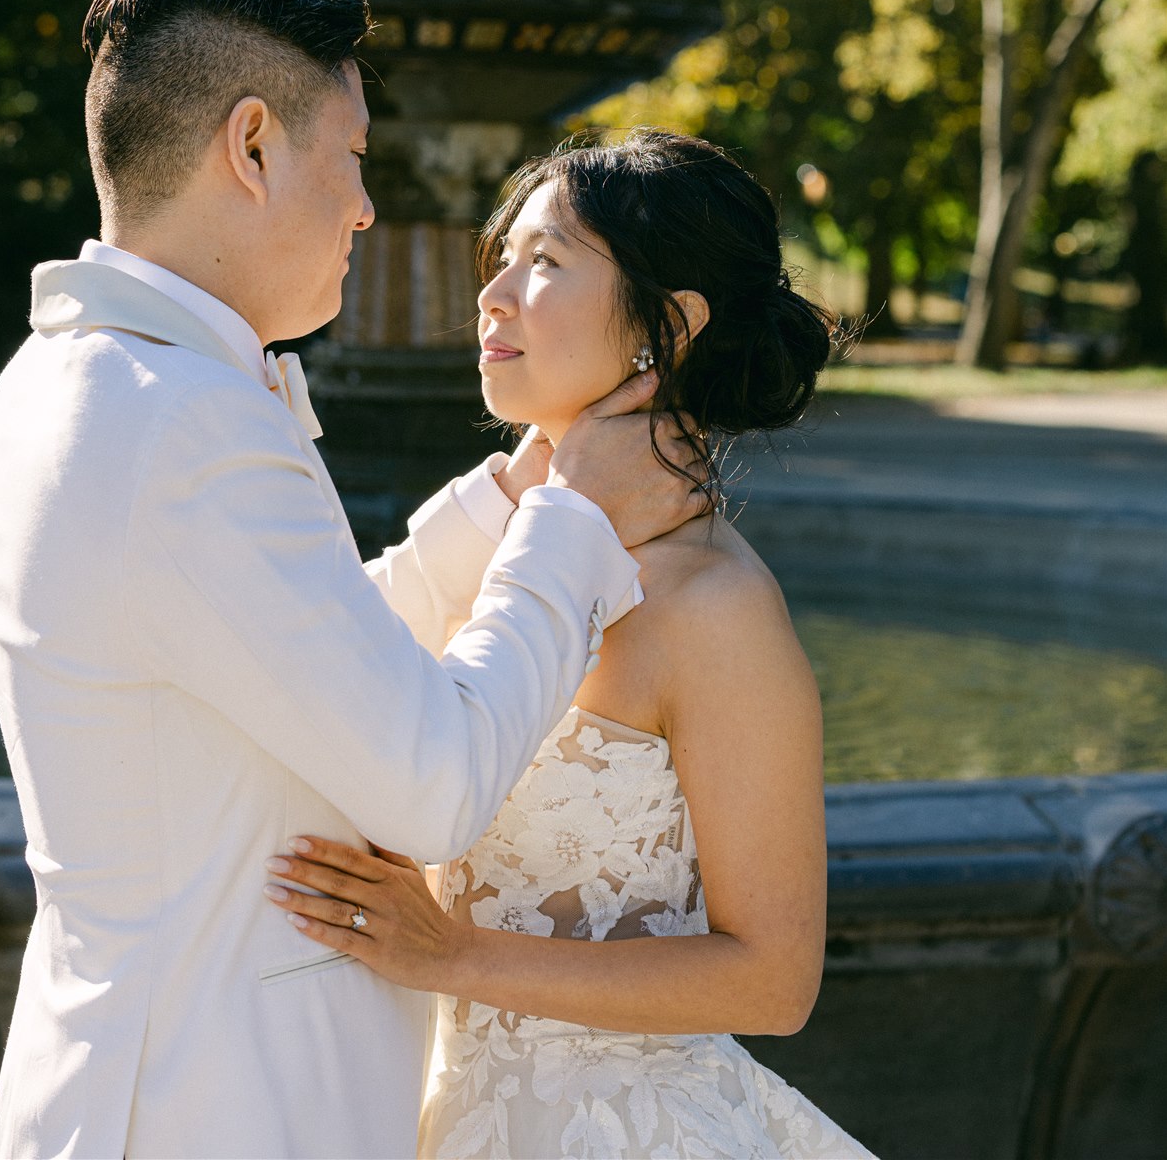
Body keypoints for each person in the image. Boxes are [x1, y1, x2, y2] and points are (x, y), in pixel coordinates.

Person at [0, 0, 705, 1160]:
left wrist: (501, 497)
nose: (368, 203)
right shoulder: (184, 422)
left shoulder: (71, 377)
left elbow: (291, 656)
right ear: (252, 146)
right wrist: (574, 512)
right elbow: (433, 782)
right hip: (224, 1108)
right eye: (351, 157)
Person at [266, 129, 877, 1160]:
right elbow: (323, 669)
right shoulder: (498, 555)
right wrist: (528, 483)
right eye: (503, 256)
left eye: (544, 262)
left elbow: (775, 978)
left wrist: (454, 952)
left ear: (672, 326)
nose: (493, 292)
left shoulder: (717, 607)